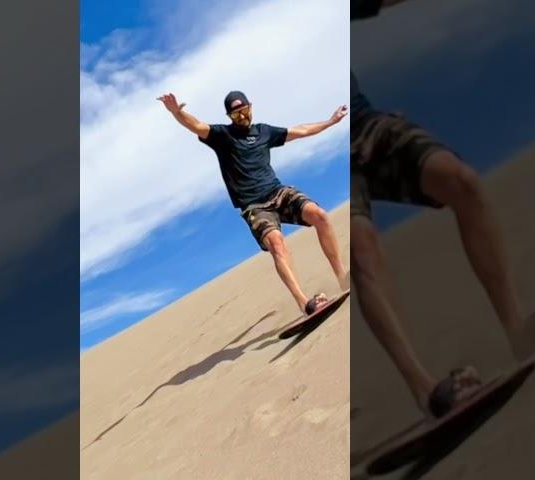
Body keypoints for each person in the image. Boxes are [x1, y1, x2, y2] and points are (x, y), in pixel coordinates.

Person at [351, 0, 534, 418]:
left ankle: (516, 328)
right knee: (361, 244)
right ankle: (427, 390)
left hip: (364, 124)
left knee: (462, 182)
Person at [157, 90, 349, 316]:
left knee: (320, 215)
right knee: (277, 244)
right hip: (254, 206)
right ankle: (303, 303)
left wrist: (331, 121)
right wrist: (177, 113)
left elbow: (300, 130)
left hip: (277, 192)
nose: (242, 117)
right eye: (236, 114)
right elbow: (197, 126)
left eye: (244, 111)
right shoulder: (223, 136)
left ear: (251, 107)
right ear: (229, 116)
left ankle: (342, 277)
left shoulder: (264, 132)